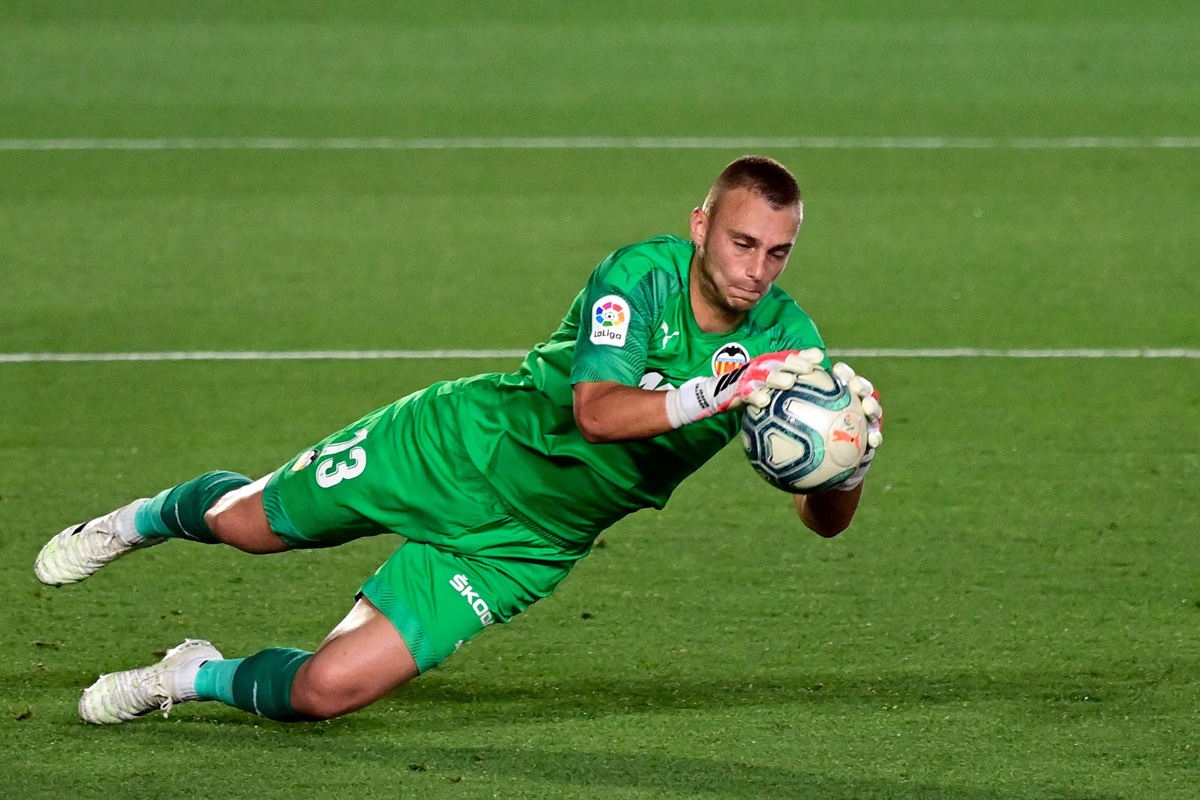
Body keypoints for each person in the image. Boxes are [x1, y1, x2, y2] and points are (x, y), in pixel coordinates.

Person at [34, 155, 883, 726]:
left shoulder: (788, 342)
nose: (758, 270)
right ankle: (136, 522)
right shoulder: (640, 276)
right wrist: (713, 392)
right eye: (743, 243)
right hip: (454, 448)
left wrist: (847, 464)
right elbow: (595, 411)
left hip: (527, 544)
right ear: (701, 226)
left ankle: (184, 674)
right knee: (244, 526)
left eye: (778, 252)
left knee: (327, 691)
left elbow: (824, 521)